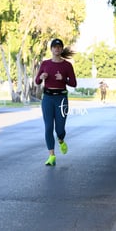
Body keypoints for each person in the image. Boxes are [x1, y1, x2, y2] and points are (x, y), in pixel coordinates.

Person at [35, 38, 77, 166]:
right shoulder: (45, 63)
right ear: (51, 49)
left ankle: (61, 139)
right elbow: (37, 81)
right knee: (48, 127)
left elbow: (74, 83)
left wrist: (63, 79)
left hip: (61, 98)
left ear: (61, 49)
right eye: (54, 47)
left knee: (59, 129)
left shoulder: (67, 65)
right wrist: (41, 77)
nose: (57, 49)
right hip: (47, 98)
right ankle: (51, 156)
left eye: (59, 47)